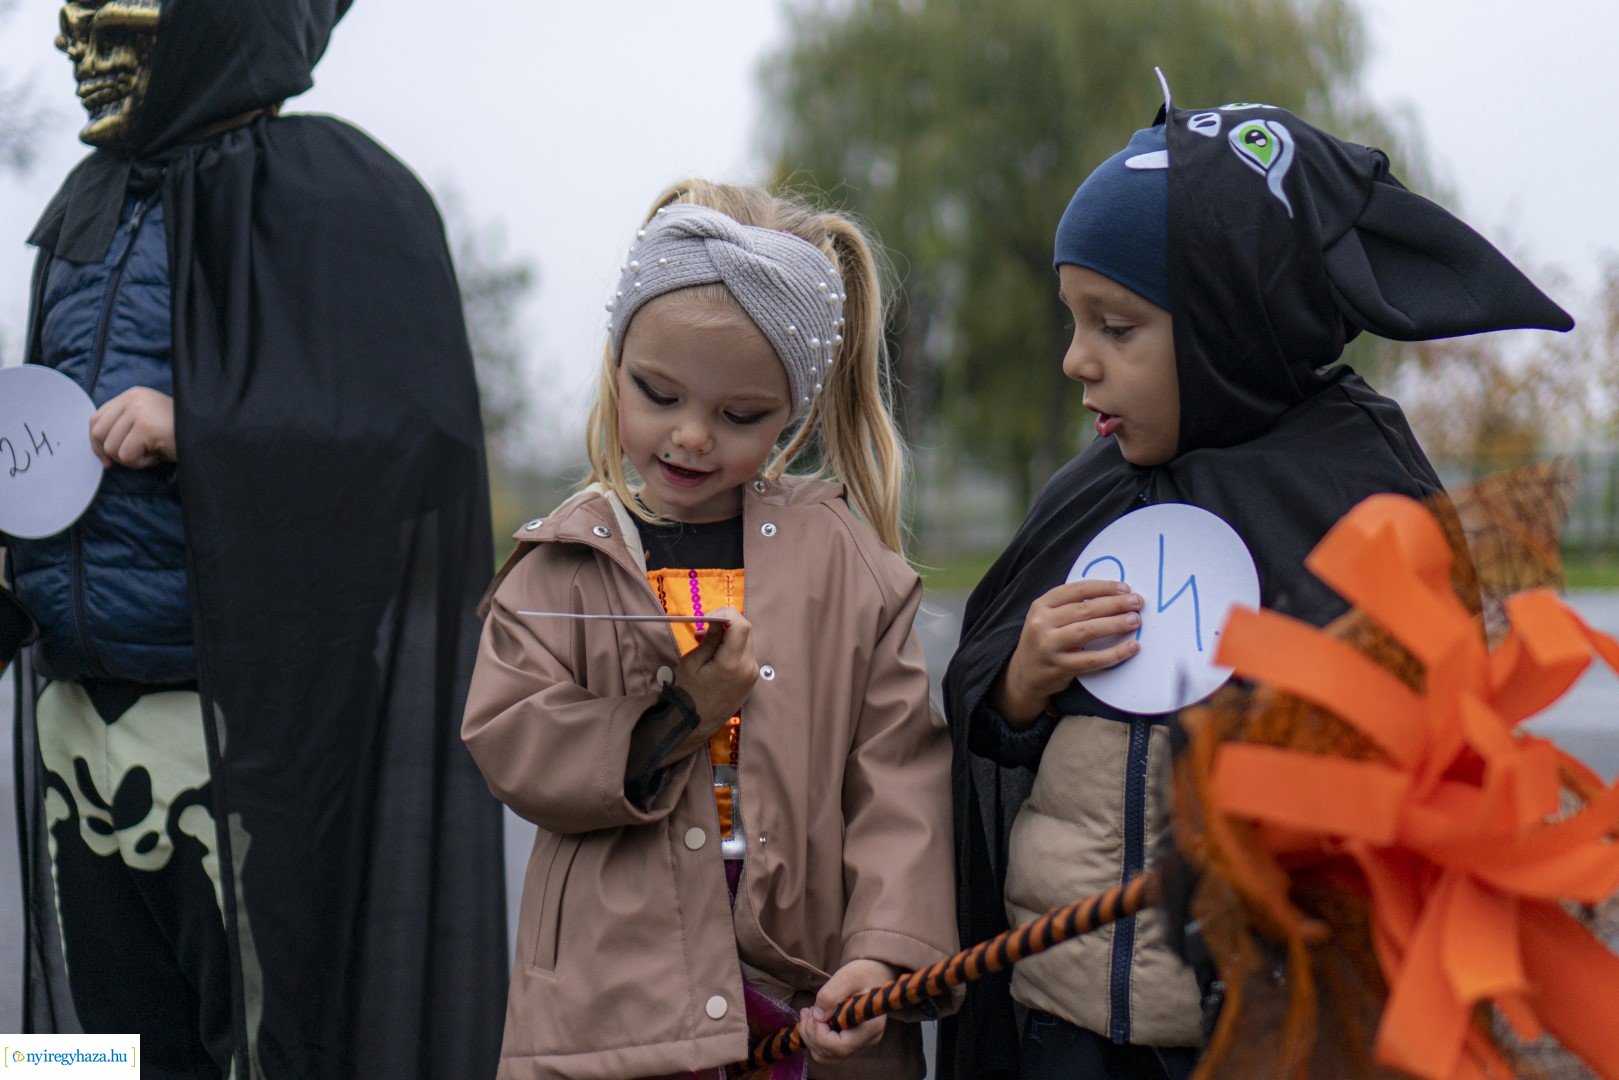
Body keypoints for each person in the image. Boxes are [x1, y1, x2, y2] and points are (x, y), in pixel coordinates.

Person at [938, 94, 1573, 1080]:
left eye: (1114, 327)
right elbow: (992, 719)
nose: (1075, 361)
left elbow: (1436, 759)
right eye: (1071, 323)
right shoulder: (1088, 492)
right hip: (1059, 1009)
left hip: (1259, 1031)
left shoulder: (1360, 494)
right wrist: (1019, 682)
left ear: (1232, 321)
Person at [10, 1, 507, 1076]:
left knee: (270, 1048)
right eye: (71, 17)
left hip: (250, 742)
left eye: (117, 18)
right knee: (108, 1055)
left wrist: (205, 429)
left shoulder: (328, 192)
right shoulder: (83, 206)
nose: (73, 45)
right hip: (76, 730)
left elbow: (418, 442)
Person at [462, 181, 957, 1079]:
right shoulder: (559, 562)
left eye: (741, 417)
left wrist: (882, 953)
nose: (690, 437)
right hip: (613, 1013)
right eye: (658, 394)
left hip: (808, 993)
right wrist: (678, 713)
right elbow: (512, 739)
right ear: (615, 366)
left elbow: (899, 784)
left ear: (795, 415)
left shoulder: (846, 565)